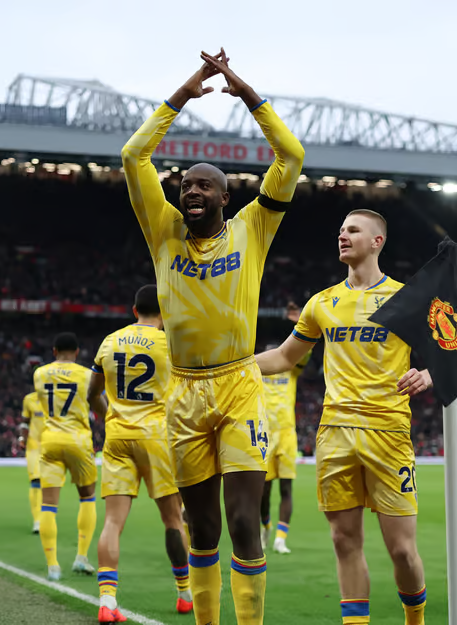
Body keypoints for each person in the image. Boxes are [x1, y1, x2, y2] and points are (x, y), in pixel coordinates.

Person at [121, 48, 304, 625]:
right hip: (184, 394)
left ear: (227, 197)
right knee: (201, 526)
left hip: (238, 387)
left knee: (245, 521)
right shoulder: (163, 231)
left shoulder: (254, 227)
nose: (191, 191)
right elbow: (133, 154)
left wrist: (244, 92)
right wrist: (183, 94)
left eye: (205, 186)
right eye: (185, 185)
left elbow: (291, 154)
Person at [256, 209, 434, 625]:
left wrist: (426, 374)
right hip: (334, 433)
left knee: (402, 550)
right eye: (340, 230)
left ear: (377, 242)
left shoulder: (407, 298)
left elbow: (450, 354)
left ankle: (416, 620)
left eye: (353, 230)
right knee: (343, 540)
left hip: (388, 432)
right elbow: (284, 356)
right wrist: (232, 365)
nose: (342, 235)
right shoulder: (322, 303)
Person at [88, 285, 193, 623]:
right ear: (164, 312)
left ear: (134, 311)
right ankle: (184, 593)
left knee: (113, 523)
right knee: (173, 520)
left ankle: (107, 601)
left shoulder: (110, 340)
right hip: (157, 438)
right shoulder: (172, 345)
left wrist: (110, 415)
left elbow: (92, 393)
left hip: (118, 436)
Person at [34, 332, 106, 580]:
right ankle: (81, 557)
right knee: (87, 498)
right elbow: (97, 402)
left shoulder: (39, 374)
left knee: (48, 505)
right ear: (77, 352)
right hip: (78, 440)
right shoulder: (86, 374)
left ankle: (52, 565)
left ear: (54, 351)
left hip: (50, 440)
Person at [259, 306, 312, 556]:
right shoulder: (258, 372)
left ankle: (281, 538)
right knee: (264, 491)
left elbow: (305, 351)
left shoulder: (291, 370)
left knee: (286, 488)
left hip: (287, 434)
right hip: (264, 435)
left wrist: (300, 324)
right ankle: (266, 526)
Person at [19, 386, 46, 533]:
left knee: (48, 484)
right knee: (36, 481)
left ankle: (44, 517)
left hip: (51, 445)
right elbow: (25, 421)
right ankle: (37, 521)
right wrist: (22, 437)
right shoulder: (29, 399)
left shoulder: (55, 399)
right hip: (34, 447)